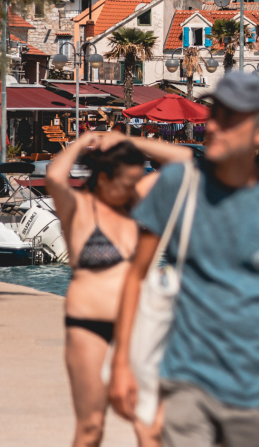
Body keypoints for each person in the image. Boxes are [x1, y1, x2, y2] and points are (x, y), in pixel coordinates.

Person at [109, 73, 259, 447]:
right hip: (186, 378)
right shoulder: (177, 184)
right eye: (214, 114)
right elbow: (135, 275)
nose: (214, 125)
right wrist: (122, 362)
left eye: (230, 118)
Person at [46, 131, 192, 447]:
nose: (132, 189)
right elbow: (55, 175)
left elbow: (186, 162)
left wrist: (129, 142)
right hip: (89, 326)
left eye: (136, 181)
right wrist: (85, 139)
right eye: (126, 183)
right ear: (103, 178)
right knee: (91, 428)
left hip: (140, 324)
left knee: (150, 427)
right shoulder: (77, 207)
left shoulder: (136, 204)